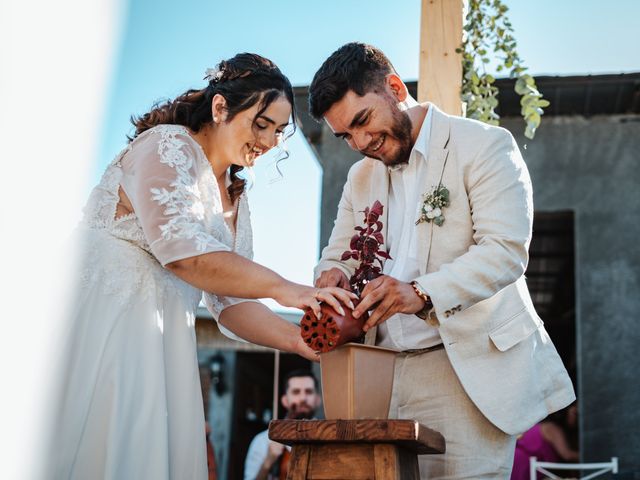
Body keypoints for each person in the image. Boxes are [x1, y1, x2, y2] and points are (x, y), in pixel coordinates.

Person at [47, 53, 355, 480]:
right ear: (220, 108)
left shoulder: (235, 198)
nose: (268, 142)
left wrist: (296, 340)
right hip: (102, 322)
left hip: (161, 340)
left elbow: (229, 302)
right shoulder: (166, 146)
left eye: (279, 132)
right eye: (261, 124)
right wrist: (289, 290)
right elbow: (183, 252)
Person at [309, 42, 576, 479]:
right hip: (381, 373)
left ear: (395, 88)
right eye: (345, 136)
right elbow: (337, 250)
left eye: (362, 121)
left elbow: (505, 251)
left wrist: (419, 292)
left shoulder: (485, 145)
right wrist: (331, 273)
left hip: (464, 369)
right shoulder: (360, 177)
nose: (360, 143)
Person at [244, 370, 322, 480]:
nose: (303, 398)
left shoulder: (328, 440)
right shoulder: (262, 441)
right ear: (285, 400)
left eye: (308, 392)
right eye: (296, 392)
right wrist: (268, 462)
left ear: (318, 400)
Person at [511, 402, 579, 480]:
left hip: (522, 462)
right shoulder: (552, 428)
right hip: (522, 464)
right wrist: (589, 457)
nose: (577, 419)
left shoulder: (547, 425)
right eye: (575, 414)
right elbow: (567, 455)